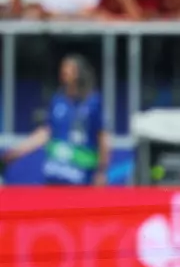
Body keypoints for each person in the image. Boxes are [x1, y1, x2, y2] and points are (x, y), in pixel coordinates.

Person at [1, 54, 108, 186]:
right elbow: (47, 132)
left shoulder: (93, 102)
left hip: (82, 176)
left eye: (68, 69)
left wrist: (102, 171)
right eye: (63, 68)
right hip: (55, 174)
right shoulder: (57, 100)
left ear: (78, 73)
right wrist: (16, 152)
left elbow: (102, 137)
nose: (64, 72)